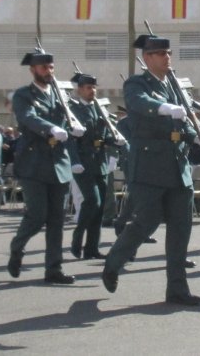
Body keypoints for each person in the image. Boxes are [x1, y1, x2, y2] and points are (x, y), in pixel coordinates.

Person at [102, 34, 200, 305]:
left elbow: (183, 120)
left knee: (180, 228)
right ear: (147, 58)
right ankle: (114, 261)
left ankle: (177, 289)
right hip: (150, 166)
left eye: (169, 53)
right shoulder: (136, 83)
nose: (167, 58)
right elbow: (139, 103)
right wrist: (164, 108)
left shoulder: (174, 86)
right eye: (161, 54)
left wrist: (198, 136)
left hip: (177, 166)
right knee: (146, 222)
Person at [7, 48, 80, 284]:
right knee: (37, 215)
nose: (48, 71)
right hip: (33, 163)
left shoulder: (59, 94)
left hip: (58, 163)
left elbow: (69, 117)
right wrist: (50, 128)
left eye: (51, 67)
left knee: (57, 220)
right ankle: (17, 247)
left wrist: (74, 125)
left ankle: (54, 269)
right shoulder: (23, 95)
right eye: (43, 67)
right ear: (33, 70)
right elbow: (27, 117)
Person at [68, 72, 126, 260]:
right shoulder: (73, 110)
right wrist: (74, 161)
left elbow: (103, 135)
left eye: (94, 87)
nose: (92, 91)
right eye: (88, 88)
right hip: (83, 163)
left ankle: (91, 248)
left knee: (100, 208)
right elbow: (70, 139)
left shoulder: (98, 109)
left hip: (99, 162)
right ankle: (77, 237)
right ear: (79, 89)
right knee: (93, 201)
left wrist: (115, 140)